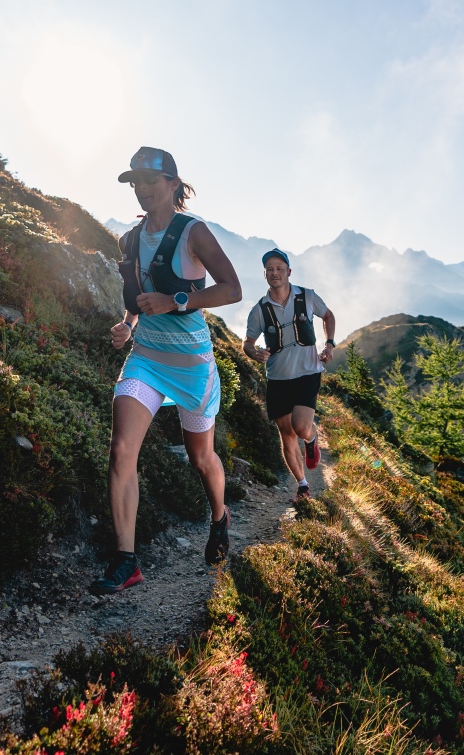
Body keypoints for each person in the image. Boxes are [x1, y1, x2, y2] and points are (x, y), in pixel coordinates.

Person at [90, 146, 243, 596]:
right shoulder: (128, 240)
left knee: (201, 459)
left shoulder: (193, 232)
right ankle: (126, 560)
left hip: (192, 365)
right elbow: (136, 295)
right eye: (135, 183)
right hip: (146, 359)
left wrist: (177, 301)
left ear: (174, 185)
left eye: (150, 182)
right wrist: (127, 324)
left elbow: (232, 289)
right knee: (121, 451)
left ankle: (220, 516)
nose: (141, 191)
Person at [242, 248, 336, 505]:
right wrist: (255, 353)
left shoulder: (307, 296)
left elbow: (328, 315)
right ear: (264, 274)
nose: (275, 273)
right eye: (269, 269)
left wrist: (329, 344)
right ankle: (303, 485)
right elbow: (247, 343)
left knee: (301, 426)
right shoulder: (259, 310)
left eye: (279, 269)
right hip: (278, 378)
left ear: (289, 272)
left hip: (307, 373)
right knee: (286, 434)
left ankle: (312, 438)